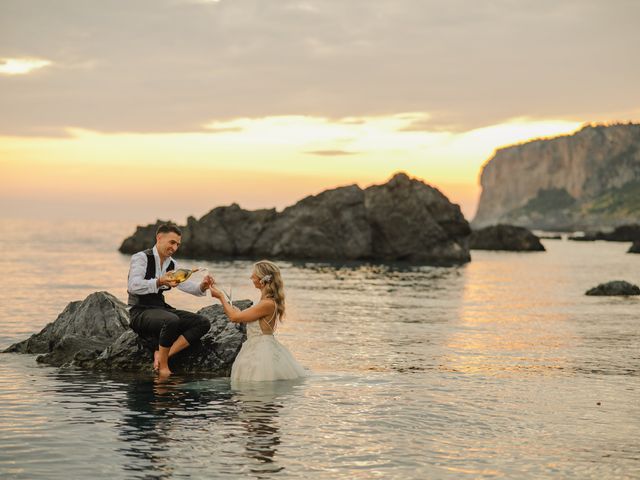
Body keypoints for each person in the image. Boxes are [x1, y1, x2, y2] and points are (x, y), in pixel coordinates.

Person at [127, 223, 214, 377]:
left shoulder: (172, 264)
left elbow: (188, 286)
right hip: (140, 311)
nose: (174, 248)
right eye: (172, 242)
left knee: (202, 322)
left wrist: (203, 286)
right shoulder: (141, 258)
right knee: (171, 320)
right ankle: (163, 367)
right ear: (159, 238)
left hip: (160, 309)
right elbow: (133, 286)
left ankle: (162, 355)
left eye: (178, 244)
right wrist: (159, 281)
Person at [209, 260, 307, 383]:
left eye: (253, 274)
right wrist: (238, 311)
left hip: (261, 352)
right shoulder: (265, 302)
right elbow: (240, 316)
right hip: (257, 346)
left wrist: (221, 297)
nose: (251, 277)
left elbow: (234, 318)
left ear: (262, 279)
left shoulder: (267, 303)